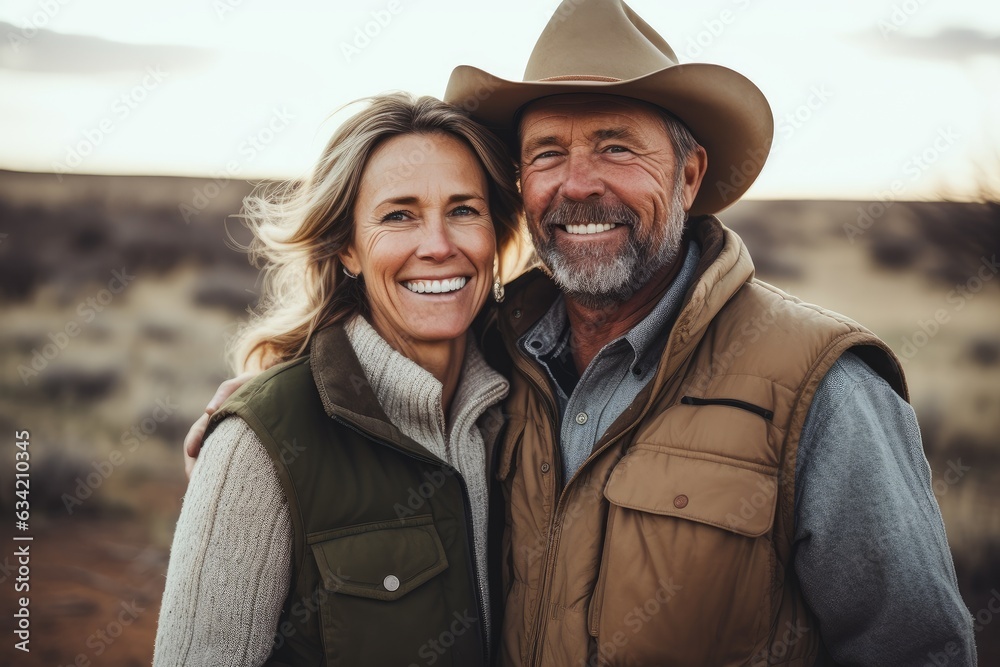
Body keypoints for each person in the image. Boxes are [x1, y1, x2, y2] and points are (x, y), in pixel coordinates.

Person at [185, 1, 977, 664]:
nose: (580, 183)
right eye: (548, 152)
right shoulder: (494, 360)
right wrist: (260, 420)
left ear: (689, 173)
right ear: (523, 187)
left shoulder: (821, 388)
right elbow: (376, 355)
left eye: (616, 146)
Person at [154, 92, 522, 666]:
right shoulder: (257, 446)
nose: (438, 245)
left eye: (463, 210)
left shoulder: (526, 405)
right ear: (347, 247)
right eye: (399, 215)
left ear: (495, 235)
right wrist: (258, 422)